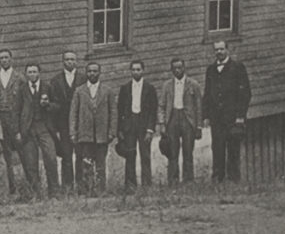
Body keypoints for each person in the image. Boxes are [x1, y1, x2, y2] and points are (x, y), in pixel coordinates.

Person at [203, 41, 252, 182]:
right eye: (216, 50)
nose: (219, 52)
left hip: (232, 118)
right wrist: (206, 115)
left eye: (221, 49)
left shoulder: (237, 67)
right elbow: (207, 93)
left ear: (227, 50)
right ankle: (218, 179)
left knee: (233, 149)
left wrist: (240, 116)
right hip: (216, 119)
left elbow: (245, 93)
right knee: (217, 148)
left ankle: (233, 180)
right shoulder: (210, 70)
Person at [69, 63, 117, 195]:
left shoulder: (107, 91)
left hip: (102, 134)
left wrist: (112, 132)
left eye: (95, 71)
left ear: (99, 73)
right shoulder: (79, 91)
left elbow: (113, 112)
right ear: (86, 73)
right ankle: (87, 191)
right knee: (86, 163)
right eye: (89, 71)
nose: (92, 74)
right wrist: (73, 132)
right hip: (85, 134)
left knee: (101, 164)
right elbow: (73, 113)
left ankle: (101, 191)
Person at [14, 63, 60, 198]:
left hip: (44, 127)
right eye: (30, 72)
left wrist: (48, 105)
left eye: (34, 72)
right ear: (26, 74)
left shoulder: (47, 87)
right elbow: (16, 111)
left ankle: (54, 192)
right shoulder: (22, 90)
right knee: (30, 162)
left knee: (51, 158)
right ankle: (36, 193)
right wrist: (17, 131)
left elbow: (57, 106)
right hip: (28, 129)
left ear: (39, 73)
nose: (32, 74)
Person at [158, 58, 203, 184]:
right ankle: (173, 180)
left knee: (188, 150)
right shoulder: (167, 85)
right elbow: (161, 105)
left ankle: (188, 180)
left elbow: (199, 107)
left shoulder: (193, 84)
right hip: (172, 118)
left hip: (187, 119)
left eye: (179, 68)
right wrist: (162, 123)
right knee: (172, 151)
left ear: (184, 68)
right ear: (171, 70)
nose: (177, 70)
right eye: (174, 68)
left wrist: (199, 126)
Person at [0, 49, 25, 193]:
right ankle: (11, 188)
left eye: (6, 57)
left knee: (23, 152)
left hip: (15, 119)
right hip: (0, 118)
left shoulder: (19, 78)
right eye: (1, 58)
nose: (4, 60)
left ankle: (29, 187)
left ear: (11, 59)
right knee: (6, 154)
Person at [117, 60, 159, 190]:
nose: (136, 72)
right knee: (130, 155)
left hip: (144, 124)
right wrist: (120, 129)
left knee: (145, 155)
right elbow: (120, 110)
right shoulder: (125, 88)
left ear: (143, 71)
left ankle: (146, 185)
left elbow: (153, 110)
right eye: (133, 70)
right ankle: (130, 186)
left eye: (138, 69)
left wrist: (150, 129)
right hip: (129, 125)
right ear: (130, 71)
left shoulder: (150, 88)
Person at [50, 51, 86, 191]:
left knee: (81, 154)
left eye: (72, 59)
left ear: (76, 61)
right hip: (63, 124)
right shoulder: (56, 80)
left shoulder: (83, 79)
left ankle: (82, 186)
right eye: (67, 59)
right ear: (63, 62)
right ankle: (67, 187)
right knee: (66, 155)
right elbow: (53, 105)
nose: (70, 62)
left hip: (80, 123)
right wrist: (56, 128)